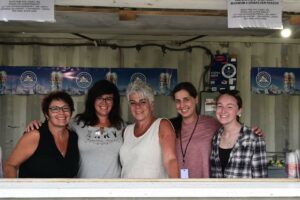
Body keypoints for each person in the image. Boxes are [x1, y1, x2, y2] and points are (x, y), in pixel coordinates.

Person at [25, 80, 124, 178]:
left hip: (114, 188)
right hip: (82, 188)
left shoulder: (122, 126)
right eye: (99, 98)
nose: (104, 102)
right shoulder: (77, 123)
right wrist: (38, 124)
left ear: (114, 102)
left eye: (109, 98)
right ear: (92, 100)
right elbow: (56, 124)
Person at [170, 82, 263, 178]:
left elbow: (231, 126)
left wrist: (253, 133)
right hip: (179, 186)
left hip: (206, 187)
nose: (182, 105)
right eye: (178, 101)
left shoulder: (211, 123)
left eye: (186, 99)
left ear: (196, 99)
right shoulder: (169, 126)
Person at [4, 91, 79, 178]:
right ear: (47, 114)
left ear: (71, 112)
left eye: (66, 108)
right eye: (54, 109)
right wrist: (15, 190)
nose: (61, 112)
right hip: (33, 191)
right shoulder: (35, 135)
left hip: (65, 191)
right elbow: (10, 165)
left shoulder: (74, 137)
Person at [120, 79, 179, 178]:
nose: (137, 106)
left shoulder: (162, 125)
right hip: (126, 191)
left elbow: (171, 160)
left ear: (151, 105)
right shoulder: (126, 131)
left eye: (142, 102)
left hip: (152, 192)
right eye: (133, 102)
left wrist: (176, 188)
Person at [210, 90, 268, 178]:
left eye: (229, 107)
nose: (223, 110)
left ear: (239, 111)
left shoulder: (253, 138)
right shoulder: (216, 137)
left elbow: (261, 179)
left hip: (244, 192)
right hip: (218, 191)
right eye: (220, 106)